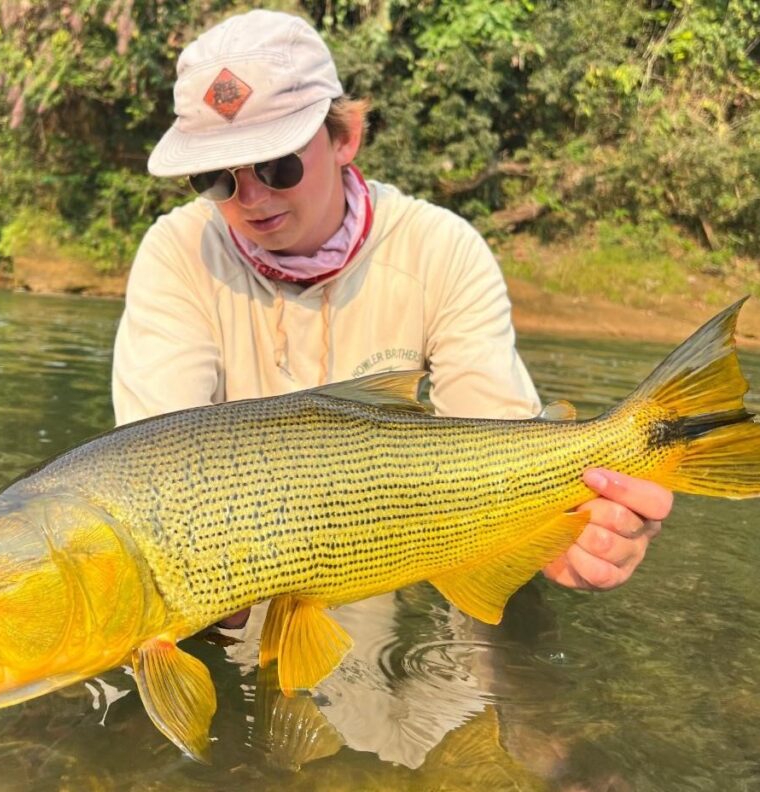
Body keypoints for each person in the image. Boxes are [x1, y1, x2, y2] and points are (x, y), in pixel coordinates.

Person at [111, 9, 672, 630]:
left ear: (344, 137)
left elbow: (501, 451)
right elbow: (152, 485)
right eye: (214, 177)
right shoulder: (176, 255)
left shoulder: (441, 250)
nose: (251, 198)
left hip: (411, 586)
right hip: (248, 597)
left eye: (277, 166)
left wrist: (566, 536)